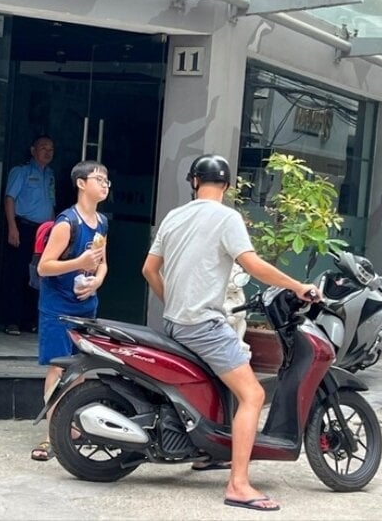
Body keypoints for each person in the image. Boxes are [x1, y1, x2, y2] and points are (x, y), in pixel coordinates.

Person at [141, 154, 319, 511]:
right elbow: (250, 263)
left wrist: (175, 302)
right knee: (252, 394)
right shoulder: (227, 217)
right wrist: (298, 285)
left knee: (223, 384)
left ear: (194, 181)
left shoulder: (175, 217)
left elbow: (149, 269)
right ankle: (238, 484)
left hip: (176, 321)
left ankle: (209, 454)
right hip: (203, 324)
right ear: (226, 185)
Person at [30, 160, 110, 461]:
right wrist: (80, 264)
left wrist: (97, 281)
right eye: (98, 179)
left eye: (107, 181)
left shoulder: (102, 221)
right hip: (57, 308)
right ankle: (54, 434)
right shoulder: (67, 223)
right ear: (80, 183)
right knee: (58, 368)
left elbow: (102, 262)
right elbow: (44, 267)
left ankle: (72, 428)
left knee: (79, 368)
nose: (104, 185)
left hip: (85, 305)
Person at [3, 135, 56, 335]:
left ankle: (29, 320)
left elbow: (50, 204)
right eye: (43, 148)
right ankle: (12, 321)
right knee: (17, 274)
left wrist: (52, 231)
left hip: (42, 231)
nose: (48, 152)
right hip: (23, 227)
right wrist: (12, 226)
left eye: (51, 149)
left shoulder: (50, 175)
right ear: (33, 150)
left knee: (37, 276)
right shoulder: (22, 172)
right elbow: (10, 199)